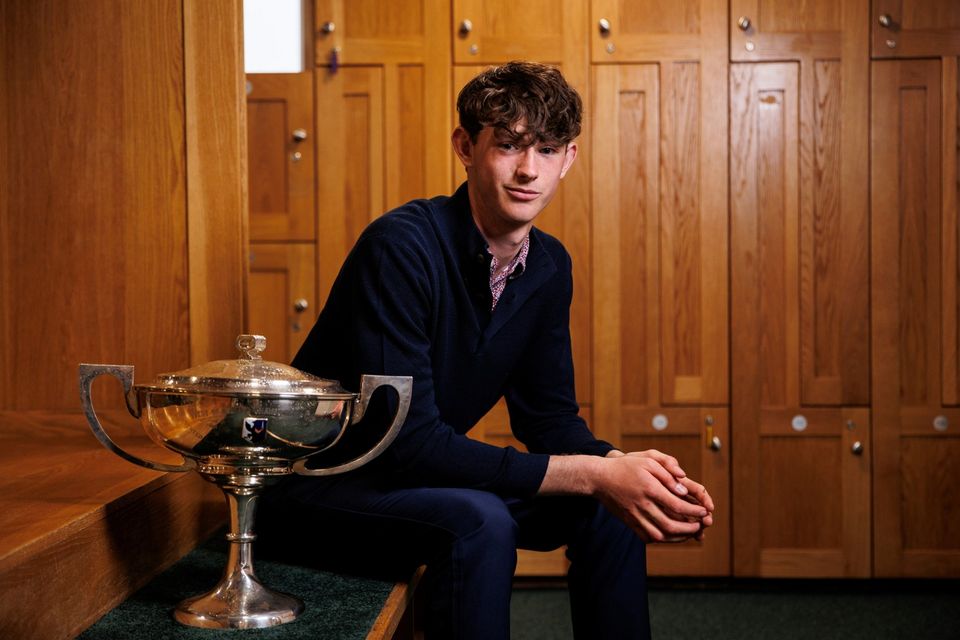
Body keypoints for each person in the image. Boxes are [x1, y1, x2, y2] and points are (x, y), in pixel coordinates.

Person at [258, 61, 714, 640]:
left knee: (609, 504)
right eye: (508, 146)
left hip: (416, 479)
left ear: (569, 159)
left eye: (547, 150)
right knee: (482, 520)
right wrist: (593, 473)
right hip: (320, 488)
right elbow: (406, 443)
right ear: (465, 147)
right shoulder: (400, 247)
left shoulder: (549, 266)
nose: (529, 170)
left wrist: (625, 469)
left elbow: (548, 417)